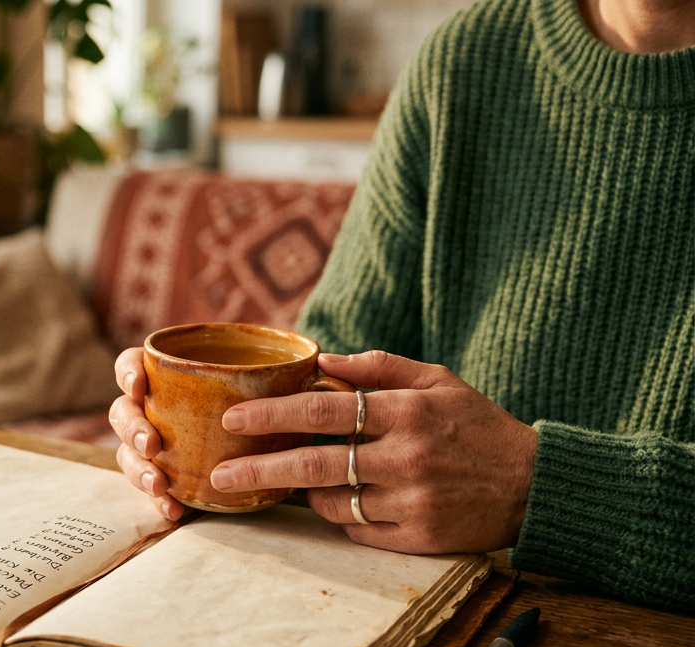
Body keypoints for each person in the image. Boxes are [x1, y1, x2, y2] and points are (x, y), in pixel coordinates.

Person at [110, 0, 695, 613]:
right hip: (431, 610)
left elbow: (518, 483)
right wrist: (195, 435)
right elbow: (333, 367)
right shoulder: (465, 62)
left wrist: (535, 488)